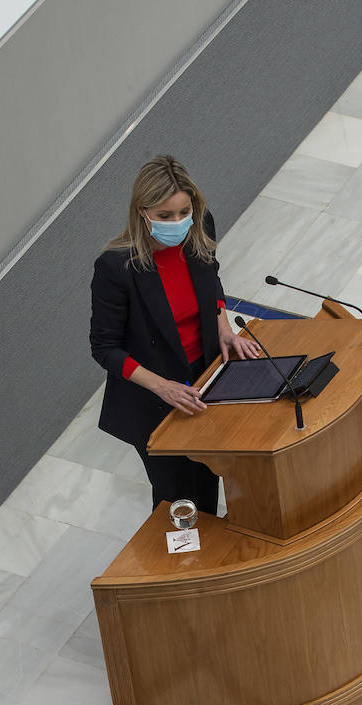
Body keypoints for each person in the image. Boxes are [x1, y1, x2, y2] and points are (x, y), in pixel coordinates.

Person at [89, 154, 261, 514]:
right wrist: (163, 387)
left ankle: (206, 558)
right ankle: (177, 562)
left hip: (203, 376)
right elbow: (105, 348)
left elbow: (210, 280)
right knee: (177, 496)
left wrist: (224, 327)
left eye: (184, 212)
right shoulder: (115, 267)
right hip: (152, 396)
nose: (178, 223)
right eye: (165, 216)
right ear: (142, 212)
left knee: (207, 476)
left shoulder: (201, 227)